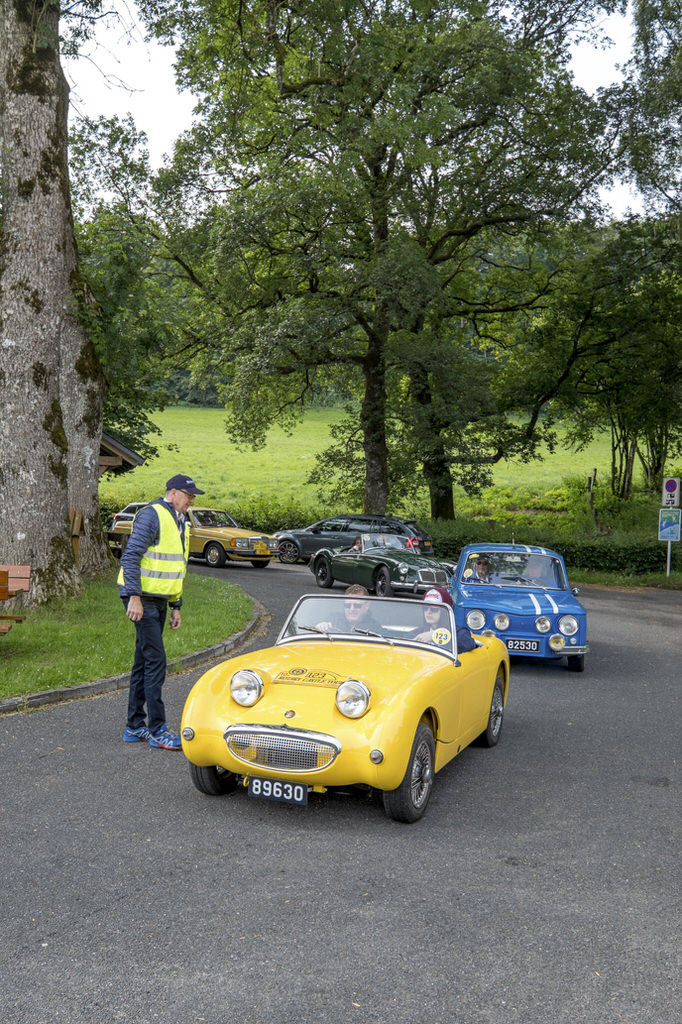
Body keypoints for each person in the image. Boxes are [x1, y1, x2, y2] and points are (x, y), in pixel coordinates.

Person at [118, 473, 205, 749]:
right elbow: (130, 556)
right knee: (156, 660)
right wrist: (134, 596)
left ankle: (134, 726)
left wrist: (176, 605)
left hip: (159, 600)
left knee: (144, 660)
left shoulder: (182, 522)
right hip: (141, 598)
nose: (191, 501)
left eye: (192, 497)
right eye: (189, 495)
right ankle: (157, 728)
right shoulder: (151, 514)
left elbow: (177, 569)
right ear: (173, 493)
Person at [414, 586, 477, 653]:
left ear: (444, 612)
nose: (428, 612)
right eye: (425, 608)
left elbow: (468, 644)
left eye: (434, 609)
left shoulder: (459, 633)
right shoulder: (417, 632)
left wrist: (435, 635)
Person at [316, 584, 383, 635]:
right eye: (348, 605)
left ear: (367, 605)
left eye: (357, 605)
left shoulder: (375, 628)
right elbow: (310, 629)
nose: (352, 609)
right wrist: (320, 626)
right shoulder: (333, 619)